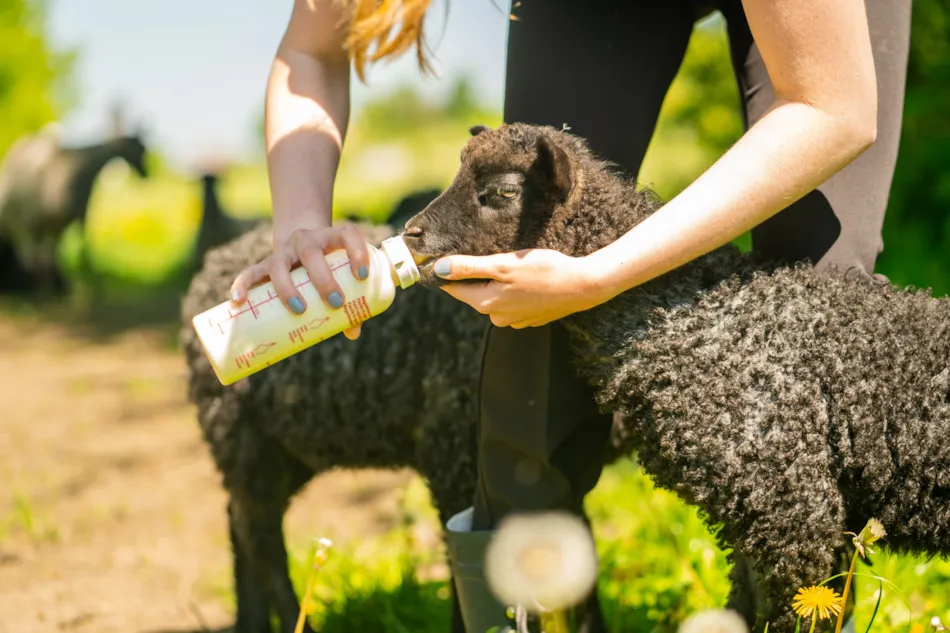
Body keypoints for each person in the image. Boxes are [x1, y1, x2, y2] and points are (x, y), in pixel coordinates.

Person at [229, 1, 911, 631]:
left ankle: (794, 608)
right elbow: (311, 51)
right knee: (526, 353)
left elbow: (833, 107)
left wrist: (601, 273)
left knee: (819, 309)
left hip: (821, 40)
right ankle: (518, 610)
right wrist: (299, 225)